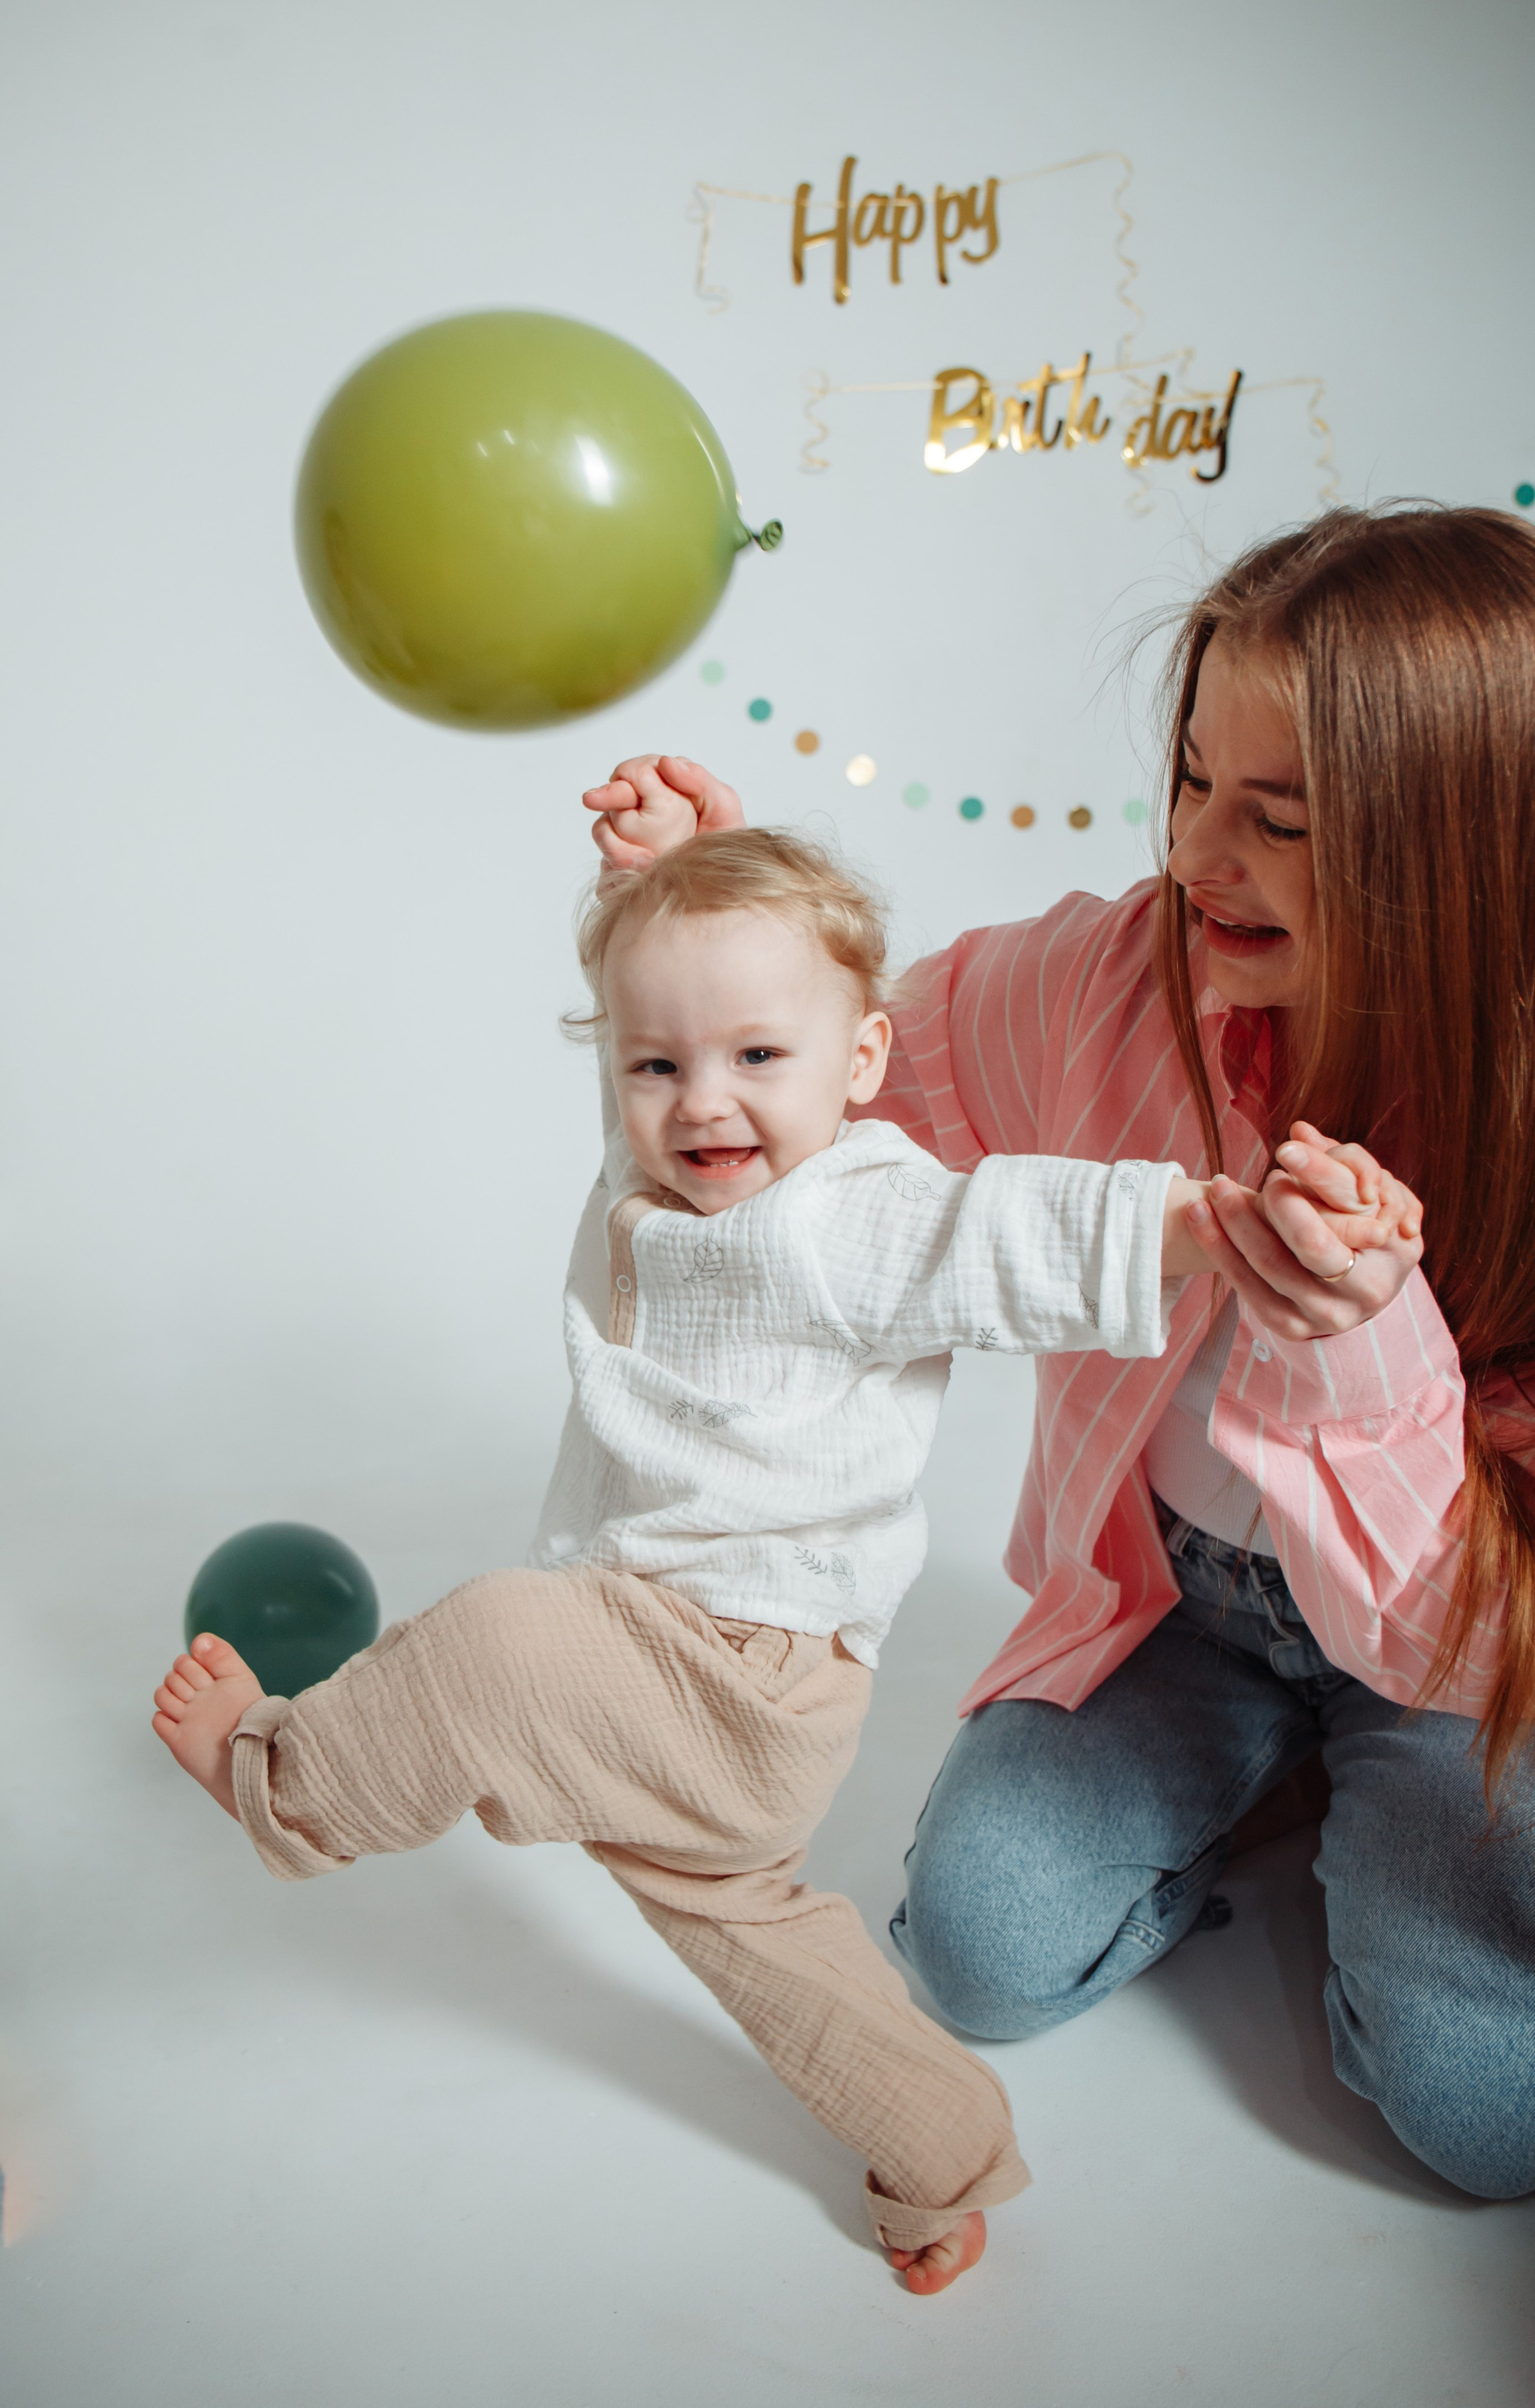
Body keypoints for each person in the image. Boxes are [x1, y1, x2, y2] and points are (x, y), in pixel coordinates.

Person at [152, 827, 1399, 2290]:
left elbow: (1007, 1233)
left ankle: (281, 1783)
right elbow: (690, 1015)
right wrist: (661, 889)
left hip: (740, 1673)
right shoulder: (659, 1176)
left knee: (488, 1643)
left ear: (864, 1061)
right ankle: (937, 2166)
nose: (703, 1105)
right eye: (654, 1066)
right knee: (751, 1933)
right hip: (663, 1656)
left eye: (757, 1057)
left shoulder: (855, 1215)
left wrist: (1193, 1218)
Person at [580, 503, 1535, 2202]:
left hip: (1462, 1666)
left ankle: (1359, 1812)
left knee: (1486, 2119)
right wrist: (734, 943)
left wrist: (1359, 1345)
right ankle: (1264, 1782)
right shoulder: (1115, 981)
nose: (1196, 857)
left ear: (1460, 858)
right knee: (972, 1950)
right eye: (1188, 781)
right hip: (1186, 1607)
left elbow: (1428, 1609)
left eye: (1281, 820)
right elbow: (862, 1073)